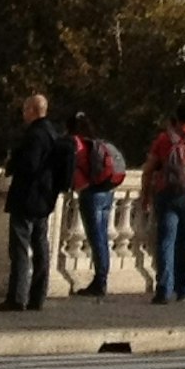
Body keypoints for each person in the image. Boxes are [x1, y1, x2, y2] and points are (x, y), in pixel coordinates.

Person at [1, 92, 69, 312]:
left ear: (32, 111)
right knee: (41, 246)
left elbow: (29, 165)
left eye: (25, 110)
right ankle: (37, 296)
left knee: (20, 247)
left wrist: (13, 162)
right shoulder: (53, 133)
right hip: (45, 197)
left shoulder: (34, 135)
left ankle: (17, 296)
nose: (23, 114)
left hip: (27, 196)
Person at [143, 105, 185, 304]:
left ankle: (163, 288)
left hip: (166, 194)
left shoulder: (164, 139)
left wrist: (146, 194)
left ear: (176, 118)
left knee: (166, 241)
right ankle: (184, 287)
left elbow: (148, 168)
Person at [67, 106, 126, 297]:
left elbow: (72, 166)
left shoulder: (75, 142)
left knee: (96, 238)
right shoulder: (96, 142)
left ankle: (100, 281)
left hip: (90, 193)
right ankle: (102, 278)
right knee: (102, 237)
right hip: (106, 190)